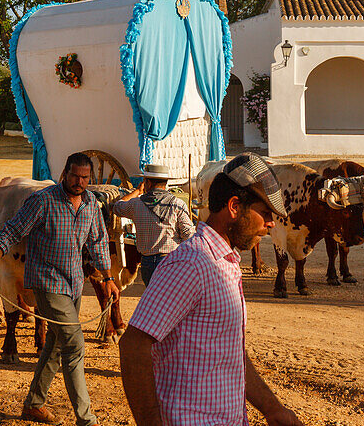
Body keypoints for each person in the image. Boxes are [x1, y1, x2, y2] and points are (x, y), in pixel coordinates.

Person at [118, 153, 305, 426]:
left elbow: (232, 353)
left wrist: (272, 409)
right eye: (265, 213)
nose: (271, 223)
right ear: (234, 207)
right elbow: (134, 345)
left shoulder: (226, 262)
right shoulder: (190, 264)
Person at [0, 152, 119, 426]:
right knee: (74, 346)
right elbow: (10, 232)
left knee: (53, 346)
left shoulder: (90, 206)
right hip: (47, 283)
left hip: (74, 284)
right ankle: (86, 419)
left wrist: (109, 278)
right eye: (75, 176)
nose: (79, 182)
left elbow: (98, 243)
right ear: (65, 173)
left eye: (85, 177)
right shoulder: (43, 201)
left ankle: (33, 404)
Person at [113, 163, 195, 285]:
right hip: (171, 262)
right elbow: (189, 235)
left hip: (147, 263)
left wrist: (137, 191)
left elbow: (117, 207)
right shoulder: (177, 204)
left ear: (148, 183)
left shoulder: (136, 204)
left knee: (154, 300)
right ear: (165, 183)